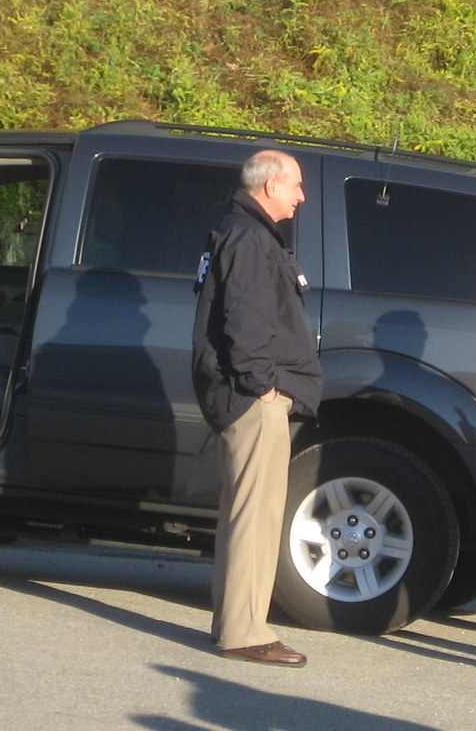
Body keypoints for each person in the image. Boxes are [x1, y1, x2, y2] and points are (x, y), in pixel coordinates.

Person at [192, 150, 323, 667]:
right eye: (295, 185)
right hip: (252, 397)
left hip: (244, 392)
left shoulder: (241, 232)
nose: (301, 195)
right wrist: (262, 387)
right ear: (270, 185)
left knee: (242, 513)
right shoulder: (249, 238)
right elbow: (244, 320)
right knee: (257, 517)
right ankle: (246, 632)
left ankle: (231, 622)